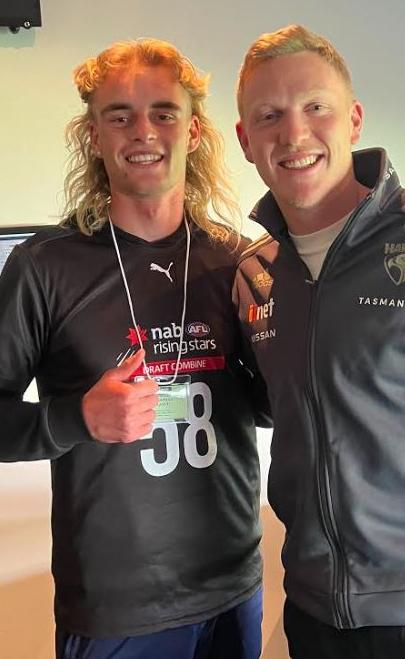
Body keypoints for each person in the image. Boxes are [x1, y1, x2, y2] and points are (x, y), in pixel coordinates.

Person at [0, 38, 269, 659]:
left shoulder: (236, 261)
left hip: (233, 584)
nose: (142, 130)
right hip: (119, 606)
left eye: (163, 112)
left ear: (194, 131)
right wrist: (78, 418)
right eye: (119, 114)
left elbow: (260, 406)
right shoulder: (44, 269)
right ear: (94, 135)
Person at [233, 23, 405, 659]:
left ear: (352, 119)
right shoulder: (254, 274)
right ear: (244, 140)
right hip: (317, 613)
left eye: (314, 107)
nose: (293, 134)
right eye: (269, 116)